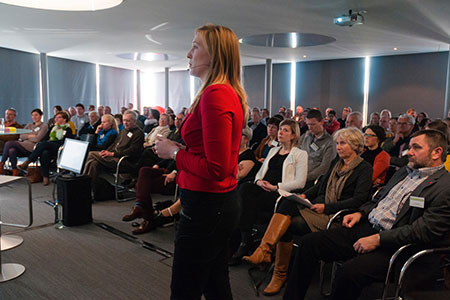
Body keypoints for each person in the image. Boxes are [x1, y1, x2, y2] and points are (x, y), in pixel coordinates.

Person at [283, 129, 450, 300]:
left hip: (396, 246)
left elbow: (423, 231)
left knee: (348, 272)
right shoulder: (404, 172)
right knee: (310, 243)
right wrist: (360, 213)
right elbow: (378, 199)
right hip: (367, 227)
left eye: (416, 148)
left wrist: (379, 239)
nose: (410, 152)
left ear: (437, 152)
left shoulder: (444, 187)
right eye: (409, 147)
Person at [153, 24, 248, 299]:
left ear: (215, 55)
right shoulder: (222, 92)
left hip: (207, 206)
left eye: (195, 46)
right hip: (214, 204)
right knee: (215, 284)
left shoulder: (216, 95)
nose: (188, 53)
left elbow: (216, 169)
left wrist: (174, 153)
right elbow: (209, 154)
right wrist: (180, 149)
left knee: (185, 289)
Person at [243, 127, 373, 295]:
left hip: (337, 215)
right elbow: (320, 185)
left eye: (342, 143)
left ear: (355, 146)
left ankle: (275, 267)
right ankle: (266, 253)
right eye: (337, 143)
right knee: (286, 201)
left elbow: (359, 200)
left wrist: (326, 207)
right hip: (320, 206)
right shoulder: (337, 162)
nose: (338, 147)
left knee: (289, 224)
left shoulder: (364, 168)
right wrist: (305, 194)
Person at [231, 119, 308, 264]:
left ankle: (245, 243)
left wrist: (276, 187)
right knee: (245, 189)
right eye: (280, 129)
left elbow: (300, 182)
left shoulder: (300, 154)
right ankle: (244, 239)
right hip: (263, 188)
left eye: (285, 130)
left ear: (293, 135)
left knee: (246, 198)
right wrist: (259, 181)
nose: (280, 132)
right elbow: (260, 173)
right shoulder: (273, 150)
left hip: (279, 193)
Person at [84, 110, 144, 197]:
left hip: (125, 161)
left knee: (90, 154)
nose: (125, 123)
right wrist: (107, 152)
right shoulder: (123, 131)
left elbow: (133, 151)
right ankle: (89, 191)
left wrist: (112, 154)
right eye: (124, 120)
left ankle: (82, 185)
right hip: (114, 157)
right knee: (93, 163)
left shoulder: (138, 133)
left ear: (134, 121)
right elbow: (114, 145)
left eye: (128, 120)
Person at [18, 111, 75, 185]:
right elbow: (44, 139)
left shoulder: (67, 129)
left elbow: (65, 142)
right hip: (48, 147)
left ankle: (28, 162)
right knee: (45, 152)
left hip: (59, 148)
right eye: (56, 117)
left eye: (59, 117)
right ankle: (45, 177)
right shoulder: (53, 128)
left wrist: (49, 143)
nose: (56, 119)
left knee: (44, 144)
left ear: (64, 119)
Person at [0, 109, 48, 176]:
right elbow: (21, 136)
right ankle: (15, 171)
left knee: (9, 143)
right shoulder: (29, 125)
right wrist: (30, 136)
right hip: (23, 145)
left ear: (41, 116)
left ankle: (1, 164)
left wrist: (27, 136)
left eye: (36, 115)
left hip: (33, 147)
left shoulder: (44, 126)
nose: (34, 117)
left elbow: (37, 139)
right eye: (32, 115)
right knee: (11, 150)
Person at [299, 109, 335, 189]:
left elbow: (324, 168)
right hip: (298, 175)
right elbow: (295, 151)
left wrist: (304, 177)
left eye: (313, 124)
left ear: (322, 122)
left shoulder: (330, 142)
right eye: (308, 124)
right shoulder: (306, 136)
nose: (310, 127)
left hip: (312, 181)